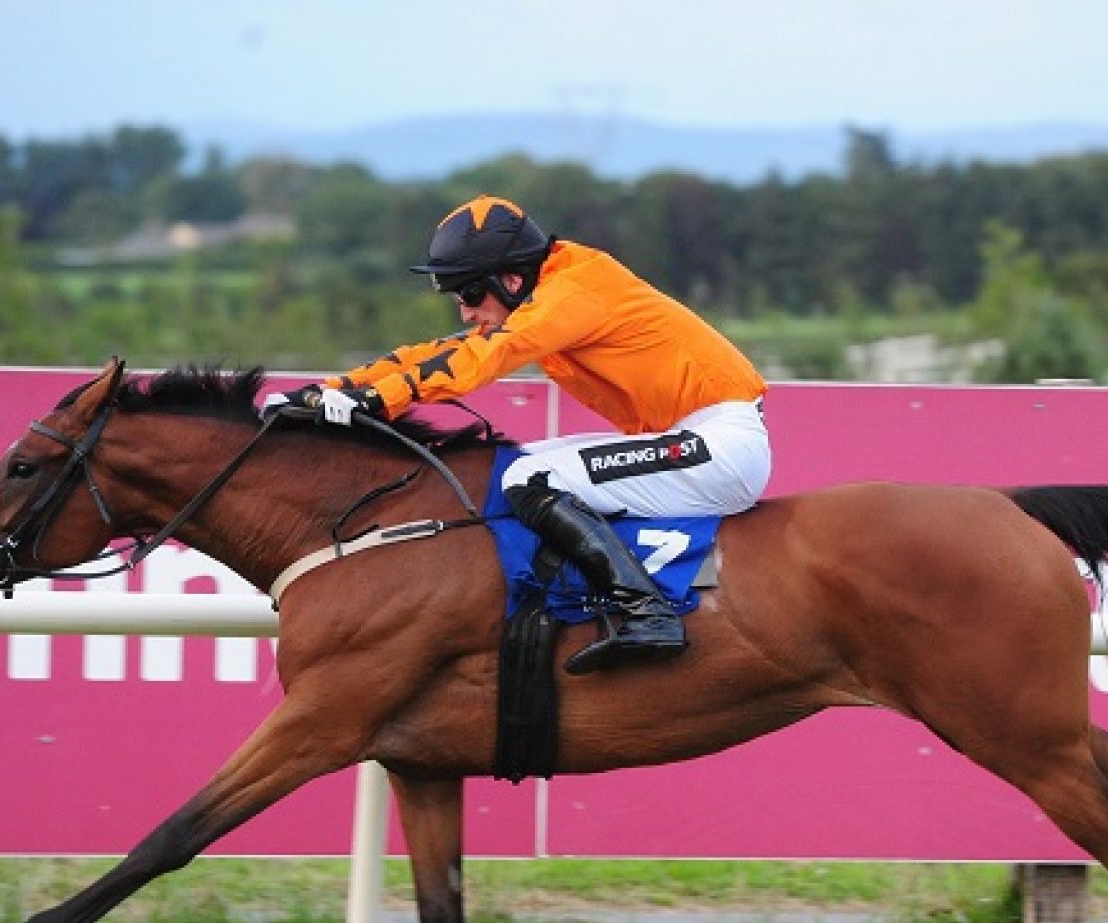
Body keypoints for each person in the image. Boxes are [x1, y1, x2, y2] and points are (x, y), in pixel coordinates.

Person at [301, 195, 770, 675]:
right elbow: (440, 352)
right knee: (511, 466)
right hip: (694, 438)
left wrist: (379, 400)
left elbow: (484, 360)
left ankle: (647, 614)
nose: (464, 312)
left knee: (531, 476)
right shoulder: (545, 295)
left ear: (510, 278)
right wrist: (331, 390)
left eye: (468, 293)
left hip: (719, 445)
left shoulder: (573, 291)